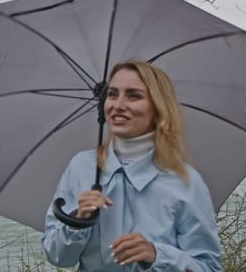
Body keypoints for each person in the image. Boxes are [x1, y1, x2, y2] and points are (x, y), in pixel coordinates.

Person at [42, 61, 223, 271]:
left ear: (157, 107)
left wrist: (156, 256)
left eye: (133, 95)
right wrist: (78, 222)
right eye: (112, 94)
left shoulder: (185, 180)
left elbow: (208, 267)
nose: (118, 105)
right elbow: (58, 257)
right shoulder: (81, 166)